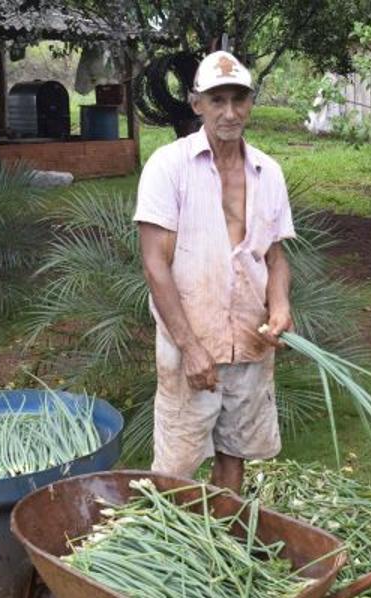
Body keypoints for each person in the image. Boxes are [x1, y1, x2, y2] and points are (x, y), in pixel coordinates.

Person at [133, 50, 295, 494]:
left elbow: (275, 254)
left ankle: (223, 542)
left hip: (250, 340)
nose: (229, 112)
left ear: (251, 102)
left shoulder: (269, 172)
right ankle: (172, 549)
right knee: (176, 468)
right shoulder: (169, 167)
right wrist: (191, 348)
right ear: (196, 102)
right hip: (191, 345)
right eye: (217, 99)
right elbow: (155, 264)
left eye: (238, 99)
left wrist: (280, 305)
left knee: (234, 454)